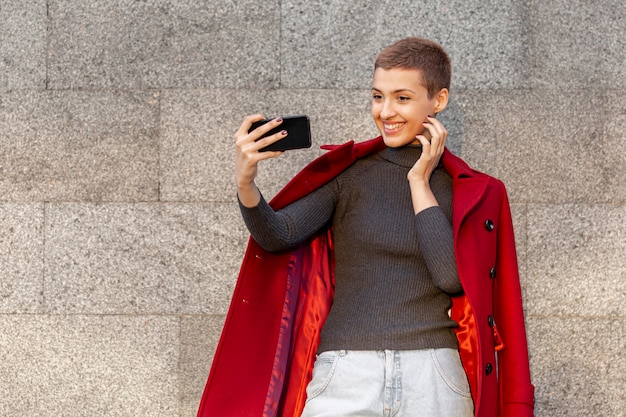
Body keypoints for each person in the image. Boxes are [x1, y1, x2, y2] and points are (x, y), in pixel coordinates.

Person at [197, 37, 534, 417]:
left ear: (438, 101)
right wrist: (246, 183)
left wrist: (419, 181)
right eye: (378, 96)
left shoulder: (472, 190)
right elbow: (278, 235)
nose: (385, 111)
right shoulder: (350, 175)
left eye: (402, 98)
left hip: (434, 375)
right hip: (346, 372)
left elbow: (450, 277)